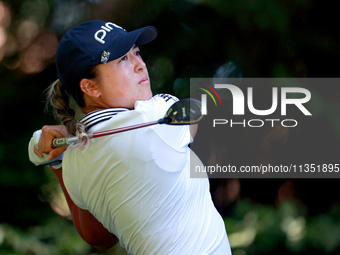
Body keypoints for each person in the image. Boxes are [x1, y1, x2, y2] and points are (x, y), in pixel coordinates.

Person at [28, 20, 232, 254]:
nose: (140, 65)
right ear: (91, 88)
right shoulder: (154, 116)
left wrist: (56, 161)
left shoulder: (73, 163)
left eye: (135, 52)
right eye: (122, 59)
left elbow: (99, 237)